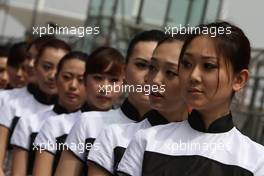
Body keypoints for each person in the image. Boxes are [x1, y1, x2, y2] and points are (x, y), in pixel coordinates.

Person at [117, 22, 264, 176]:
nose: (193, 75)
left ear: (239, 79)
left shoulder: (255, 161)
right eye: (187, 64)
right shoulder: (147, 140)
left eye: (208, 66)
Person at [54, 30, 165, 176]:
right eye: (141, 65)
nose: (149, 76)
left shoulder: (177, 137)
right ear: (124, 70)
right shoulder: (89, 123)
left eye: (156, 68)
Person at [87, 34, 188, 176]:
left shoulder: (212, 145)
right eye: (151, 67)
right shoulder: (110, 133)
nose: (153, 79)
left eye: (171, 72)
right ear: (124, 69)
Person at [33, 47, 126, 176]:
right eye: (98, 78)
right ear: (86, 80)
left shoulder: (128, 130)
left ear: (124, 84)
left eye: (114, 80)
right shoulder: (55, 125)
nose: (104, 88)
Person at [10, 51, 88, 176]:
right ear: (56, 78)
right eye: (67, 77)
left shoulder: (95, 126)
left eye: (81, 80)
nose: (73, 85)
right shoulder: (28, 122)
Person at [0, 38, 70, 176]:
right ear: (35, 65)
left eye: (60, 69)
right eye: (47, 67)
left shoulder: (79, 118)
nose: (52, 75)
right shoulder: (7, 101)